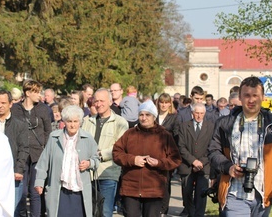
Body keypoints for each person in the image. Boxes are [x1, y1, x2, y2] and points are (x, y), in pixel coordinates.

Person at [208, 76, 272, 216]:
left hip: (264, 194)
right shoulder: (225, 124)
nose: (251, 100)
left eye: (255, 95)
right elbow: (213, 151)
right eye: (247, 95)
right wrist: (228, 167)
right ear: (240, 97)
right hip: (234, 192)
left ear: (263, 97)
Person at [112, 100, 181, 217]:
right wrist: (132, 160)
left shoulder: (164, 135)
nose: (144, 118)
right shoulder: (129, 134)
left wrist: (160, 163)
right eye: (141, 115)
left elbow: (176, 159)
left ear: (154, 117)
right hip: (131, 188)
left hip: (154, 187)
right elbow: (116, 153)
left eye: (147, 115)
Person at [34, 105, 99, 216]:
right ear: (64, 121)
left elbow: (96, 159)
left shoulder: (87, 138)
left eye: (75, 121)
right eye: (69, 121)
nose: (72, 125)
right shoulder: (54, 137)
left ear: (80, 122)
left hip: (80, 191)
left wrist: (89, 163)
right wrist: (39, 181)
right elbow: (43, 162)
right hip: (59, 190)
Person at [82, 88, 128, 217]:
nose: (98, 104)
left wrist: (100, 155)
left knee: (105, 212)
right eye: (96, 101)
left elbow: (120, 147)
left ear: (110, 102)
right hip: (87, 173)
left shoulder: (120, 122)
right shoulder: (87, 121)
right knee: (89, 211)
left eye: (102, 101)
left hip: (108, 172)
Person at [11, 80, 52, 217]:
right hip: (20, 155)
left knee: (35, 191)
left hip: (38, 154)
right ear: (28, 93)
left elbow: (48, 131)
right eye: (36, 92)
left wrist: (46, 151)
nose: (39, 95)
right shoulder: (15, 109)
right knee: (21, 191)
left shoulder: (43, 109)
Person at [0, 90, 29, 213]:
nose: (0, 105)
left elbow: (24, 148)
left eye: (3, 103)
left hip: (12, 175)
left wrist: (18, 170)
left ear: (10, 104)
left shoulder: (20, 125)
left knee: (11, 210)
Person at [177, 103, 214, 217]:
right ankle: (190, 213)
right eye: (197, 113)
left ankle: (199, 215)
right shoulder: (184, 126)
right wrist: (193, 161)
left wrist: (201, 162)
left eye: (202, 113)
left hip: (204, 166)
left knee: (201, 194)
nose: (199, 116)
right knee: (187, 192)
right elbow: (181, 146)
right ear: (192, 113)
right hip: (187, 165)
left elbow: (212, 147)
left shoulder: (211, 126)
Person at [155, 92, 178, 215]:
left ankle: (163, 209)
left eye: (166, 102)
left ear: (170, 104)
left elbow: (176, 137)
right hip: (153, 153)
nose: (163, 105)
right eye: (161, 102)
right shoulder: (153, 116)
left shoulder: (174, 118)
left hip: (167, 155)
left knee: (165, 182)